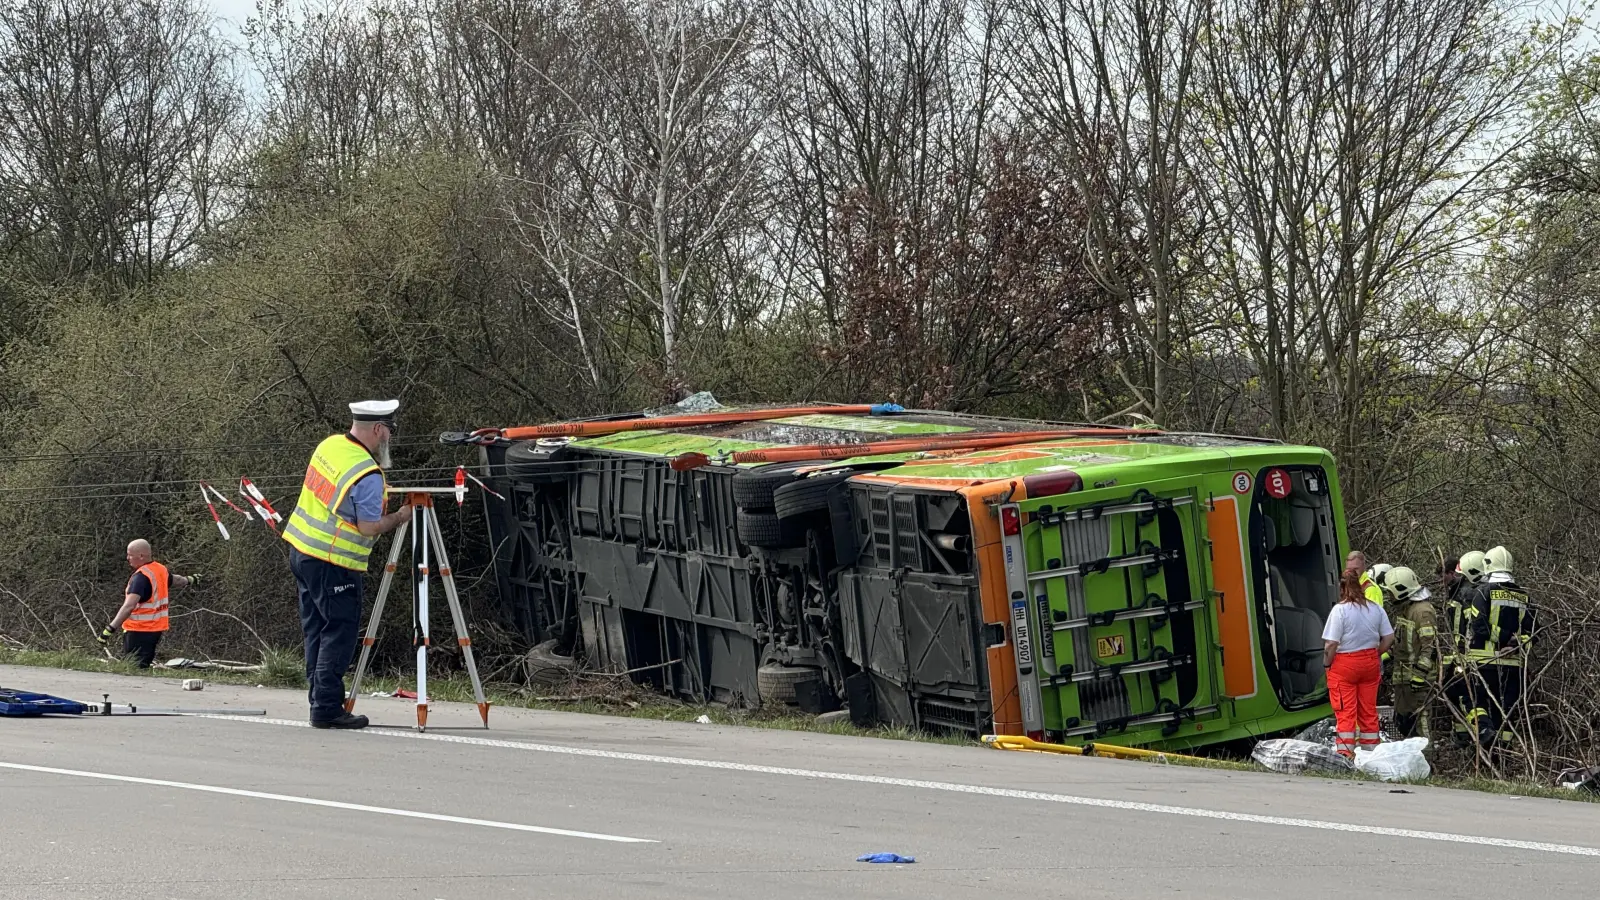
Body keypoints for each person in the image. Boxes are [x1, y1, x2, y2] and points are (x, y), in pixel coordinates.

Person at [283, 400, 412, 729]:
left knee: (317, 629)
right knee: (338, 633)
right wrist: (399, 517)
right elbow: (368, 527)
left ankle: (319, 698)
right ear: (378, 430)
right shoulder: (368, 474)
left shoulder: (330, 446)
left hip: (302, 550)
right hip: (334, 561)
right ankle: (326, 707)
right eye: (389, 433)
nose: (390, 441)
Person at [1323, 565, 1395, 759]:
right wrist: (1375, 654)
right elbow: (1388, 638)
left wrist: (1327, 664)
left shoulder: (1340, 611)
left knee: (1346, 712)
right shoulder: (1375, 609)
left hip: (1344, 665)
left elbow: (1331, 644)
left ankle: (1346, 755)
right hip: (1370, 663)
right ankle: (1372, 755)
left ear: (1342, 588)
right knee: (1368, 711)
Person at [98, 539, 200, 669]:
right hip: (155, 630)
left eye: (130, 554)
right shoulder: (160, 570)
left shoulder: (140, 578)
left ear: (141, 556)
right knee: (143, 664)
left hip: (138, 630)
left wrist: (109, 629)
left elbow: (129, 606)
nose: (127, 558)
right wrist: (191, 580)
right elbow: (177, 580)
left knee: (134, 668)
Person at [1468, 546, 1533, 749]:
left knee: (1478, 704)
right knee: (1505, 713)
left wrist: (1504, 639)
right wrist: (1515, 643)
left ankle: (1486, 745)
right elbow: (1534, 632)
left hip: (1485, 663)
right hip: (1514, 666)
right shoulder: (1524, 595)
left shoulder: (1483, 592)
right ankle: (1501, 755)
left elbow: (1479, 626)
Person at [1385, 567, 1440, 739]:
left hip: (1418, 681)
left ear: (1401, 589)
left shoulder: (1422, 612)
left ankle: (1425, 762)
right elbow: (1403, 643)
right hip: (1403, 679)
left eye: (1391, 592)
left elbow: (1429, 647)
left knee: (1421, 724)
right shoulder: (1405, 609)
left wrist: (1420, 674)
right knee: (1404, 723)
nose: (1389, 596)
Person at [1443, 549, 1488, 745]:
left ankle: (1476, 732)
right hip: (1479, 654)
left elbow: (1460, 629)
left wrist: (1457, 653)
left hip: (1467, 655)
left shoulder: (1464, 596)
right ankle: (1465, 734)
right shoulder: (1483, 592)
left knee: (1461, 694)